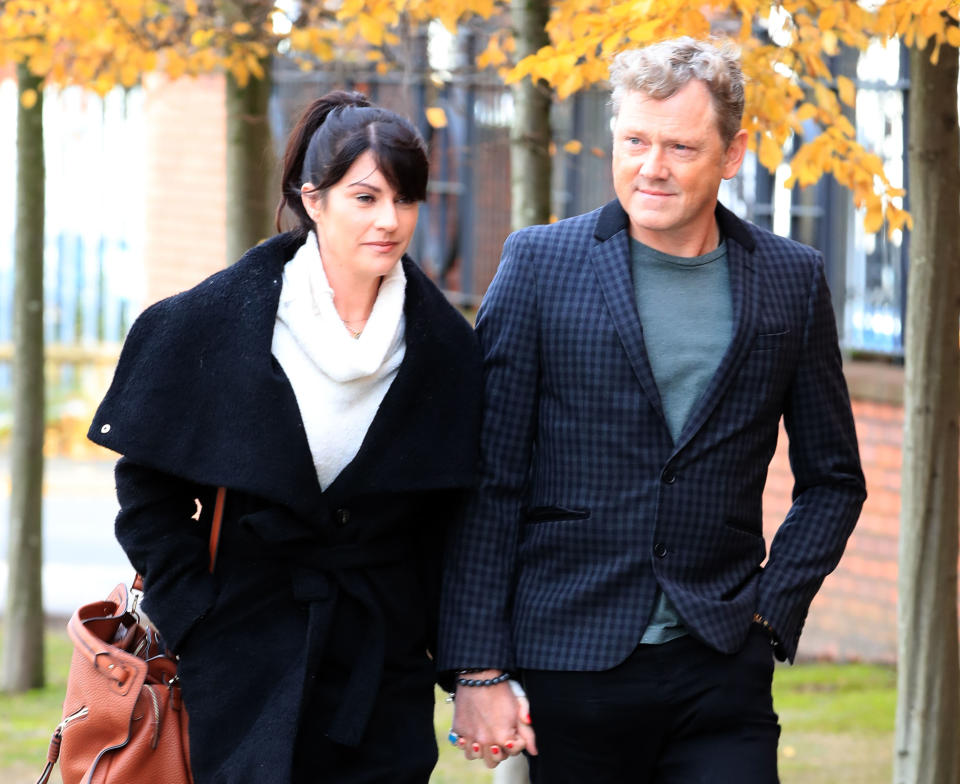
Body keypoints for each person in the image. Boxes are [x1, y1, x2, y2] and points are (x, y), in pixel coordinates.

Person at [438, 37, 866, 782]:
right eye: (634, 140)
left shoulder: (791, 281)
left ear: (733, 154)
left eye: (679, 146)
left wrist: (769, 614)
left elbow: (833, 478)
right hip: (567, 664)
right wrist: (477, 668)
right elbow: (489, 479)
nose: (651, 167)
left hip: (720, 667)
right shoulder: (539, 265)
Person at [87, 91, 482, 783]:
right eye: (365, 198)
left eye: (406, 200)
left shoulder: (447, 348)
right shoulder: (215, 322)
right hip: (238, 653)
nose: (390, 221)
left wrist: (439, 650)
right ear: (314, 199)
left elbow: (455, 521)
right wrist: (197, 618)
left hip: (378, 666)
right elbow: (147, 492)